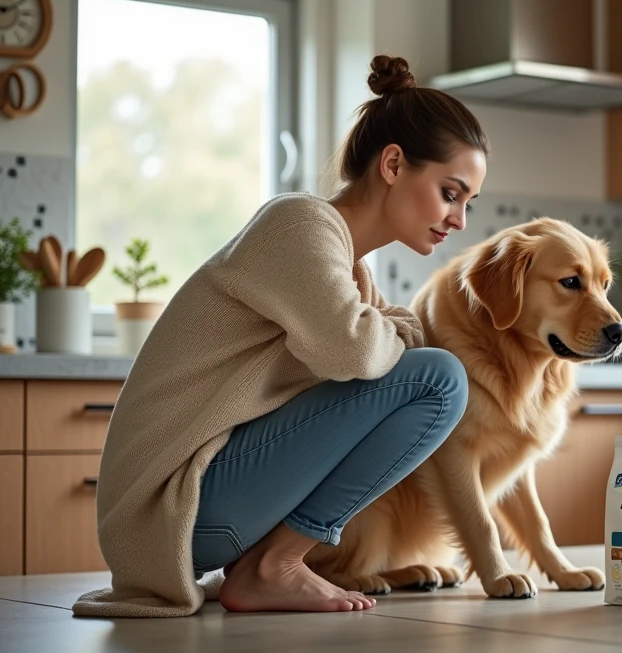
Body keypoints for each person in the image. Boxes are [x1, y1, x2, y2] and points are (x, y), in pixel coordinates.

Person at [72, 55, 489, 618]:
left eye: (468, 202)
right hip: (175, 510)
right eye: (450, 192)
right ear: (393, 163)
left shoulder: (351, 270)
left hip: (197, 507)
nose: (459, 219)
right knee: (440, 381)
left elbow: (386, 332)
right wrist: (386, 331)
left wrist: (383, 330)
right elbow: (356, 349)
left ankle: (273, 563)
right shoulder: (299, 225)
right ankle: (277, 565)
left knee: (428, 371)